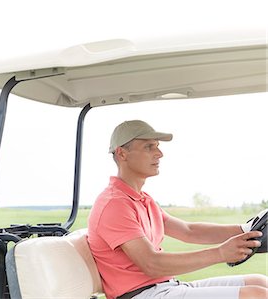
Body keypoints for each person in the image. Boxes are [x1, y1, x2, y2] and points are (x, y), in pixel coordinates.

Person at [87, 120, 268, 299]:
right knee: (256, 295)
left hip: (165, 286)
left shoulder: (142, 200)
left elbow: (189, 231)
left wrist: (246, 229)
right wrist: (220, 253)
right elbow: (151, 264)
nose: (159, 154)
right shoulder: (114, 204)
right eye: (149, 147)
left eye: (157, 146)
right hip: (142, 294)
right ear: (122, 153)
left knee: (260, 282)